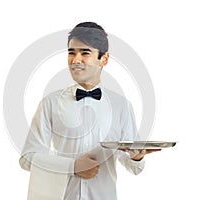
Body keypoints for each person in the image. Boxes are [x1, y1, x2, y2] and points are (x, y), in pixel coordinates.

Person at [19, 22, 160, 200]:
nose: (76, 60)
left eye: (85, 53)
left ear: (104, 59)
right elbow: (27, 159)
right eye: (72, 53)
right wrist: (73, 166)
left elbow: (135, 168)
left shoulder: (122, 106)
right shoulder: (50, 103)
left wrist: (136, 157)